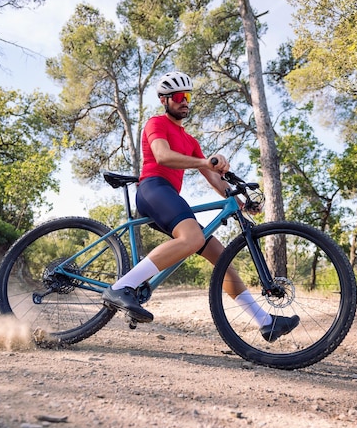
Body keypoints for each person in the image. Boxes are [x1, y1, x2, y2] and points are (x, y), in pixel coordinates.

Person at [102, 71, 299, 342]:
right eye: (180, 97)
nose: (185, 102)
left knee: (223, 261)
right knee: (192, 238)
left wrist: (241, 202)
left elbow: (214, 178)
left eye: (188, 97)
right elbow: (162, 155)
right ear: (164, 100)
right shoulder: (156, 123)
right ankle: (122, 287)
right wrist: (206, 162)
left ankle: (266, 322)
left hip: (170, 197)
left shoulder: (191, 141)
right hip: (153, 189)